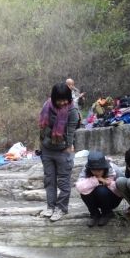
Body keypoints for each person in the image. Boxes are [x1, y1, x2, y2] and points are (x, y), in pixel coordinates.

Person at [38, 83, 79, 222]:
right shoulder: (47, 106)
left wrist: (68, 146)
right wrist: (43, 143)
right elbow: (42, 127)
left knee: (63, 182)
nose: (63, 103)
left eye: (65, 99)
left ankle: (61, 208)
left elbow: (71, 130)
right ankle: (50, 207)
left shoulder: (72, 110)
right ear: (54, 98)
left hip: (62, 150)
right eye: (59, 100)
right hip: (47, 149)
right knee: (49, 180)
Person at [75, 150, 123, 227]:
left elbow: (121, 190)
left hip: (112, 199)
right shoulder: (86, 169)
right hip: (96, 200)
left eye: (99, 170)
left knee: (101, 190)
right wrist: (95, 180)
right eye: (93, 170)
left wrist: (108, 182)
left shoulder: (114, 169)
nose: (96, 173)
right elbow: (79, 187)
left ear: (104, 167)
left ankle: (106, 213)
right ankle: (94, 214)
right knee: (84, 191)